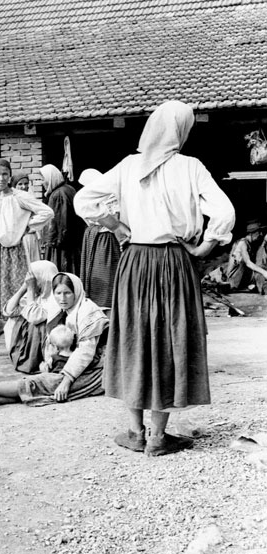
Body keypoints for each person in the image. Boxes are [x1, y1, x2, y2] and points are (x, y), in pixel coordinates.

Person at [74, 100, 236, 456]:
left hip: (134, 261)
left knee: (134, 336)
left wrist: (116, 226)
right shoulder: (191, 167)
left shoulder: (130, 166)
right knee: (167, 338)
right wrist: (204, 247)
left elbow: (85, 200)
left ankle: (136, 432)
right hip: (173, 261)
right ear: (181, 130)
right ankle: (158, 438)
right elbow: (225, 212)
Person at [0, 273, 108, 409]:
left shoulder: (87, 312)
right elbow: (10, 310)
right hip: (78, 366)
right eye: (58, 293)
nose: (62, 298)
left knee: (44, 383)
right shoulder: (65, 310)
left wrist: (66, 381)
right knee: (44, 383)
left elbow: (85, 352)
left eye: (67, 293)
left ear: (77, 291)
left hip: (98, 369)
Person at [0, 158, 54, 359]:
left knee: (17, 294)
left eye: (5, 174)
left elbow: (47, 212)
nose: (1, 178)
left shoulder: (20, 197)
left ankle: (22, 343)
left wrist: (27, 227)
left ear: (10, 176)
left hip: (13, 252)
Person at [3, 260, 59, 374]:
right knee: (14, 319)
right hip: (33, 340)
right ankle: (22, 357)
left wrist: (30, 290)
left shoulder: (56, 296)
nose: (31, 283)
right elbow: (9, 311)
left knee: (36, 323)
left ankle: (32, 361)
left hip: (47, 343)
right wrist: (24, 287)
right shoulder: (36, 295)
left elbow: (34, 317)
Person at [78, 168, 121, 310]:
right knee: (92, 274)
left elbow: (114, 220)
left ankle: (106, 304)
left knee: (105, 273)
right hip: (94, 238)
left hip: (106, 240)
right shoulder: (88, 198)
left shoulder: (111, 198)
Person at [40, 164, 84, 274]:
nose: (42, 182)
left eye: (43, 179)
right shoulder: (68, 189)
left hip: (62, 247)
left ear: (51, 178)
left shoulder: (58, 194)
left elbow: (60, 225)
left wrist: (50, 244)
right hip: (72, 244)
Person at [224, 219, 267, 291]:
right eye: (259, 232)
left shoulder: (249, 244)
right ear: (252, 233)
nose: (261, 234)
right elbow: (248, 263)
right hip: (234, 278)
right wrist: (264, 272)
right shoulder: (242, 243)